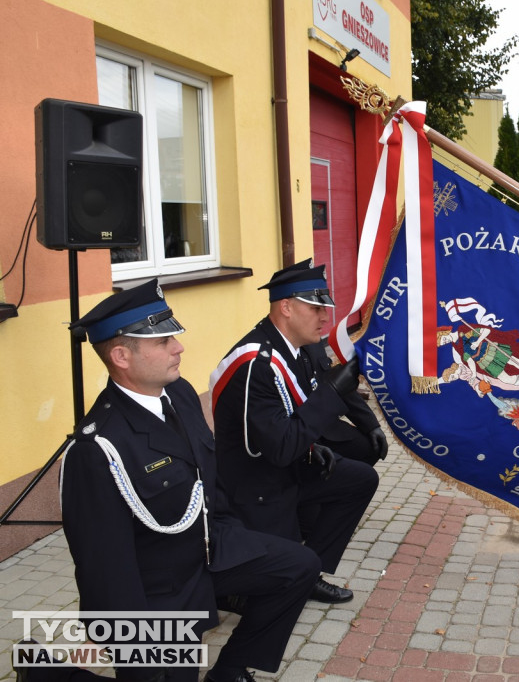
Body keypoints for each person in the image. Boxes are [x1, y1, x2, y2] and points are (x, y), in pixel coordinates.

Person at [52, 280, 320, 682]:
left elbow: (208, 480)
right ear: (122, 356)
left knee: (299, 566)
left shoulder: (177, 394)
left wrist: (237, 533)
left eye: (173, 337)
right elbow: (106, 571)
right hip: (159, 589)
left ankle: (229, 671)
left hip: (209, 549)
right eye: (162, 342)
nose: (179, 348)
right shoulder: (98, 448)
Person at [210, 259, 383, 605]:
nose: (325, 317)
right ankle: (277, 579)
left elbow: (295, 413)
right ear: (286, 307)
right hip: (254, 482)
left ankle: (309, 571)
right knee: (266, 596)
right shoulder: (256, 363)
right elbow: (278, 448)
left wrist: (318, 441)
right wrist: (331, 397)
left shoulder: (303, 346)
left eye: (326, 308)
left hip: (285, 462)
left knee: (361, 478)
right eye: (316, 308)